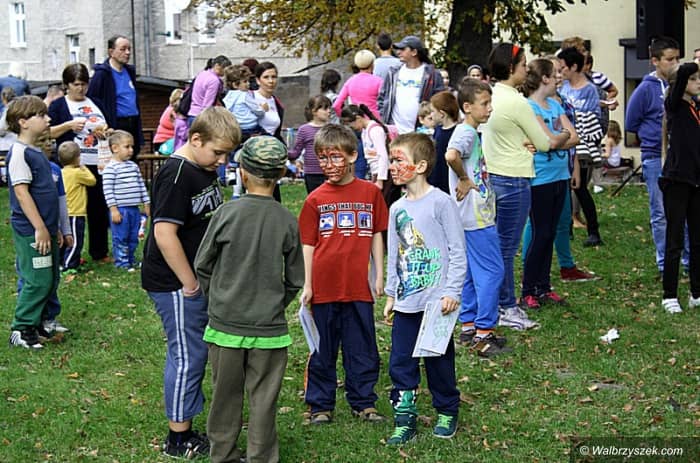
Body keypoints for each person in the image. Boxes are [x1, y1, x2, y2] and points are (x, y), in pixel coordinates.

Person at [194, 136, 304, 463]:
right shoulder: (287, 220)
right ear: (281, 174)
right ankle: (262, 457)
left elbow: (203, 264)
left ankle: (223, 454)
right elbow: (295, 279)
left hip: (225, 327)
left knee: (224, 397)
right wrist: (273, 304)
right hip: (269, 331)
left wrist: (220, 299)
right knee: (264, 400)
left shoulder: (225, 213)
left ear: (242, 172)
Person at [141, 107, 241, 459]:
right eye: (218, 152)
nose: (222, 161)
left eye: (227, 154)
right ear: (195, 139)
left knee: (195, 350)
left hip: (195, 277)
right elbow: (164, 233)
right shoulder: (177, 174)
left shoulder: (202, 168)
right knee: (188, 353)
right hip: (175, 281)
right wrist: (190, 283)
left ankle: (185, 424)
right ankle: (178, 437)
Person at [298, 124, 388, 425]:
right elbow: (308, 244)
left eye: (335, 157)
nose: (328, 164)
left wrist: (379, 274)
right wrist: (308, 284)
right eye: (322, 158)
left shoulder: (370, 193)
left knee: (361, 346)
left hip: (358, 286)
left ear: (352, 155)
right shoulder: (315, 199)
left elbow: (376, 234)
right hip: (324, 287)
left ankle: (363, 401)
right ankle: (320, 405)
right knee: (322, 348)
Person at [382, 132, 466, 444]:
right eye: (391, 160)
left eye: (398, 160)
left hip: (436, 302)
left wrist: (452, 291)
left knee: (438, 360)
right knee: (401, 361)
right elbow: (394, 252)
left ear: (420, 166)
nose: (392, 166)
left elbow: (458, 250)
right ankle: (405, 418)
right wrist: (391, 294)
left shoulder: (441, 203)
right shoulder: (396, 208)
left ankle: (447, 410)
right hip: (406, 301)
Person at [446, 78, 523, 348]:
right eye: (485, 103)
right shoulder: (466, 133)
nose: (490, 108)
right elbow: (451, 156)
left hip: (466, 217)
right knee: (493, 270)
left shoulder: (469, 131)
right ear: (467, 107)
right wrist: (464, 179)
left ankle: (468, 325)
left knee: (470, 272)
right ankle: (484, 331)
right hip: (477, 217)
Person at [482, 43, 551, 316]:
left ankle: (496, 303)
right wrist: (561, 136)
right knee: (507, 248)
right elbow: (544, 143)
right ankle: (507, 306)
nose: (526, 70)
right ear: (511, 68)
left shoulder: (489, 96)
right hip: (515, 178)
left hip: (493, 175)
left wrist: (525, 139)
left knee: (496, 245)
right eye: (523, 65)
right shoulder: (517, 101)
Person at [519, 59, 579, 310]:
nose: (558, 78)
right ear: (544, 78)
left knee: (551, 232)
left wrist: (557, 138)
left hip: (560, 176)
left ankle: (544, 286)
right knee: (540, 232)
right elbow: (550, 141)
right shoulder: (530, 107)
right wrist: (559, 138)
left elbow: (574, 137)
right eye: (554, 74)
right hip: (540, 178)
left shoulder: (554, 105)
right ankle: (528, 289)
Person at [625, 36, 682, 274]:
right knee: (660, 212)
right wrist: (653, 136)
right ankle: (664, 262)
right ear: (655, 61)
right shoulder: (645, 89)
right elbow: (631, 122)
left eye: (677, 58)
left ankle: (686, 260)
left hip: (681, 156)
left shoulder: (683, 85)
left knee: (683, 210)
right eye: (669, 59)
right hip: (655, 156)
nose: (675, 63)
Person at [6, 96, 58, 349]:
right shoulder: (19, 153)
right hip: (32, 232)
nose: (48, 119)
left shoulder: (36, 151)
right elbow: (22, 193)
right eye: (41, 115)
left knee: (49, 278)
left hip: (47, 229)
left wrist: (55, 228)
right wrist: (39, 228)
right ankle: (21, 328)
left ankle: (37, 322)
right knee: (38, 279)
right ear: (23, 122)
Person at [49, 63, 111, 263]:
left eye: (84, 84)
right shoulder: (59, 106)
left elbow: (110, 127)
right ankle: (69, 252)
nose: (81, 88)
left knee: (98, 207)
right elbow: (47, 132)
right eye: (76, 84)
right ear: (67, 85)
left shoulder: (97, 102)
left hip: (97, 162)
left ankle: (99, 251)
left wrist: (105, 132)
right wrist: (68, 125)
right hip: (71, 165)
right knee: (71, 209)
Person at [659, 62, 700, 313]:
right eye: (694, 79)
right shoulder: (674, 106)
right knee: (675, 240)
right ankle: (669, 295)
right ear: (681, 84)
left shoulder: (696, 107)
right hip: (677, 181)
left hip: (697, 181)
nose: (698, 83)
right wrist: (694, 64)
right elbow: (683, 72)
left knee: (697, 240)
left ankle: (697, 292)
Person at [559, 46, 604, 247]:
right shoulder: (562, 88)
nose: (561, 72)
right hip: (564, 143)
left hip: (582, 147)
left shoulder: (589, 90)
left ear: (574, 67)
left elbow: (595, 118)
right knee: (564, 188)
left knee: (580, 188)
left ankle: (593, 230)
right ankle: (566, 228)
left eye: (563, 67)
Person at [87, 35, 144, 156]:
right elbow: (92, 99)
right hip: (115, 124)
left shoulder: (130, 71)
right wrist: (102, 123)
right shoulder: (102, 74)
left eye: (129, 49)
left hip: (133, 122)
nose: (127, 53)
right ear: (111, 52)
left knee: (132, 156)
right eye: (122, 49)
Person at [102, 130, 150, 270]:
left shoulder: (133, 166)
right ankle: (122, 262)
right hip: (121, 210)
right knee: (121, 236)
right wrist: (113, 210)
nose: (131, 150)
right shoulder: (110, 168)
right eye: (127, 146)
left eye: (132, 147)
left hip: (134, 209)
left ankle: (131, 259)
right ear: (115, 148)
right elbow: (108, 191)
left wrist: (146, 203)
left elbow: (141, 185)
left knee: (133, 236)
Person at [377, 35, 445, 133]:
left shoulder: (432, 74)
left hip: (421, 131)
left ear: (414, 52)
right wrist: (384, 118)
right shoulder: (393, 73)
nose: (398, 52)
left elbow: (440, 101)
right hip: (395, 131)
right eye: (398, 49)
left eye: (403, 49)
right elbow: (382, 98)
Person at [59, 141, 96, 272]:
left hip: (63, 212)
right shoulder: (77, 173)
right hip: (75, 212)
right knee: (75, 241)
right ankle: (69, 264)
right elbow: (92, 180)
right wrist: (83, 167)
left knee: (64, 239)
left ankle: (62, 261)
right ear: (77, 158)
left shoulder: (61, 172)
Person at [254, 62, 285, 202]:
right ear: (258, 80)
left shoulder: (275, 102)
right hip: (256, 151)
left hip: (272, 153)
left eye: (274, 77)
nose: (271, 81)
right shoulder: (251, 98)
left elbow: (276, 130)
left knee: (274, 195)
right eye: (266, 77)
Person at [288, 95, 333, 193]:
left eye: (329, 108)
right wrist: (283, 153)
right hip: (311, 173)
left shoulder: (332, 129)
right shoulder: (304, 130)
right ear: (314, 111)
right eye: (325, 108)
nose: (329, 111)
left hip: (330, 171)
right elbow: (296, 151)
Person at [341, 104, 390, 189]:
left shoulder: (375, 130)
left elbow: (383, 156)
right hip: (375, 173)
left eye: (351, 124)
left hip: (384, 175)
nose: (351, 128)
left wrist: (380, 180)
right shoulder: (364, 131)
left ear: (358, 118)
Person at [333, 50, 383, 120]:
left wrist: (345, 118)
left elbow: (336, 105)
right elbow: (385, 103)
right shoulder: (379, 81)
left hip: (357, 120)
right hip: (375, 120)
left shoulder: (350, 81)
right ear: (372, 64)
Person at [222, 64, 265, 140]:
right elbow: (257, 110)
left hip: (237, 128)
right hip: (251, 127)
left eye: (248, 81)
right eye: (245, 81)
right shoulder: (244, 95)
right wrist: (263, 109)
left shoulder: (228, 97)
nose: (248, 83)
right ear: (235, 85)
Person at [429, 91, 459, 194]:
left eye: (432, 111)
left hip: (448, 181)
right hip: (435, 178)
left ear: (442, 114)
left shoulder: (456, 133)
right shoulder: (438, 129)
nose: (430, 115)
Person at [188, 55, 231, 126]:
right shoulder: (214, 81)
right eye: (225, 69)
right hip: (202, 117)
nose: (225, 72)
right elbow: (208, 104)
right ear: (217, 66)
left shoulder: (202, 74)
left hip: (192, 113)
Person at [153, 88, 183, 153]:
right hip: (164, 143)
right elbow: (179, 127)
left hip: (161, 142)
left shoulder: (169, 109)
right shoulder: (173, 112)